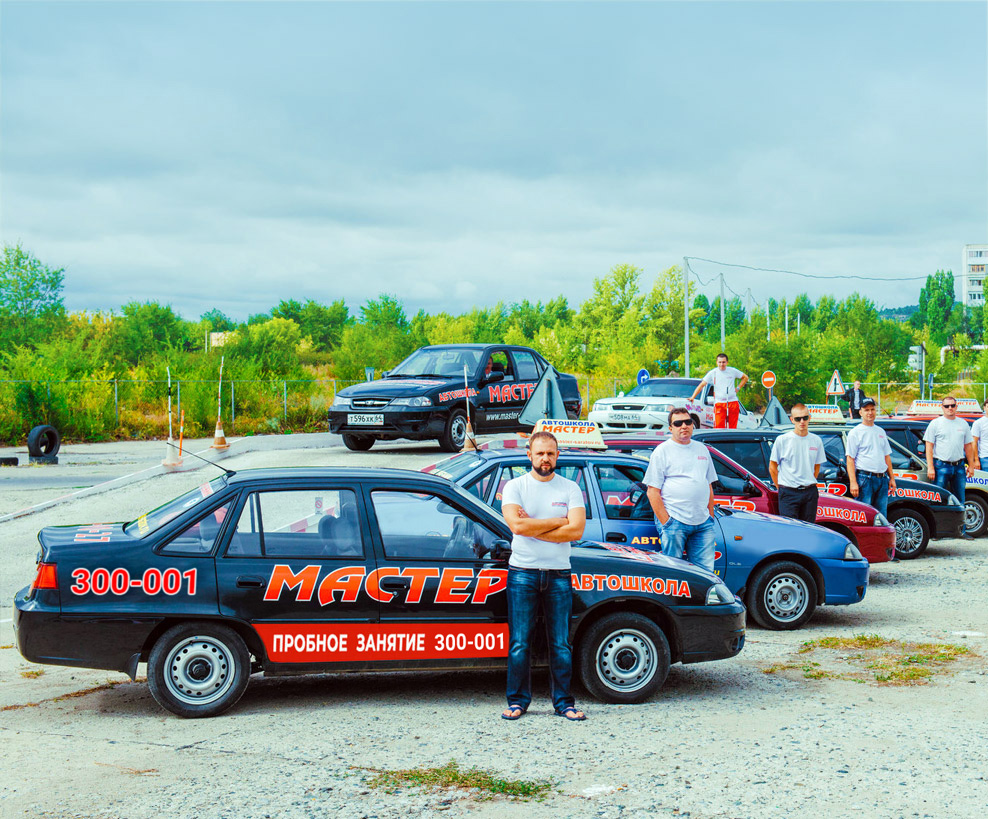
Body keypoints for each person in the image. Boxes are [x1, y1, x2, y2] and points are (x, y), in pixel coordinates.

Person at [499, 431, 587, 722]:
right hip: (522, 573)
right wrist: (559, 521)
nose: (545, 459)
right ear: (529, 455)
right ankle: (517, 701)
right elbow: (517, 527)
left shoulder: (570, 488)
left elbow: (575, 531)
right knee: (520, 642)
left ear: (557, 455)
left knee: (560, 643)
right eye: (540, 453)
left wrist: (533, 524)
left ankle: (563, 703)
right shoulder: (515, 486)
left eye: (550, 453)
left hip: (559, 575)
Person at [644, 407, 717, 572]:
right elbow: (652, 491)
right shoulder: (662, 451)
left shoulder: (702, 450)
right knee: (674, 573)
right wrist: (667, 522)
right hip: (675, 521)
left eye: (687, 421)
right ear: (670, 428)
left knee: (705, 573)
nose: (683, 426)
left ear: (692, 425)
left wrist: (710, 516)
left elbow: (708, 484)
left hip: (703, 523)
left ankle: (699, 599)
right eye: (678, 423)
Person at [923, 397, 974, 537]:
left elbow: (968, 446)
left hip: (959, 466)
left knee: (960, 500)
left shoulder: (963, 424)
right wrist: (930, 467)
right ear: (942, 407)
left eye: (952, 405)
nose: (950, 408)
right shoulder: (935, 423)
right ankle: (935, 532)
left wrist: (971, 465)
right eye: (947, 406)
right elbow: (929, 446)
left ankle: (961, 531)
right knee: (937, 499)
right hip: (941, 465)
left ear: (956, 407)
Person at [769, 403, 826, 523]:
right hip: (788, 492)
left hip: (810, 492)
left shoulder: (816, 440)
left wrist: (808, 481)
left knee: (809, 529)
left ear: (809, 418)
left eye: (805, 418)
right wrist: (781, 487)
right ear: (792, 420)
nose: (802, 421)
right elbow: (773, 467)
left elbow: (816, 466)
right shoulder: (783, 440)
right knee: (790, 530)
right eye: (797, 419)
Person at [845, 397, 897, 517]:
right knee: (864, 515)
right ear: (860, 412)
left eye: (872, 409)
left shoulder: (880, 431)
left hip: (882, 479)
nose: (870, 413)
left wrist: (892, 478)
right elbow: (850, 459)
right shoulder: (855, 432)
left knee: (881, 515)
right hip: (865, 479)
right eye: (866, 410)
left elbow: (886, 456)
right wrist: (853, 482)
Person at [692, 353, 748, 429]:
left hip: (732, 402)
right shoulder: (713, 373)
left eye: (724, 362)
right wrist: (693, 397)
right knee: (719, 426)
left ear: (727, 362)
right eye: (720, 362)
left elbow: (745, 377)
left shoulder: (732, 371)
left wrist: (738, 388)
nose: (722, 364)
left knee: (733, 427)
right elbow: (702, 385)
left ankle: (731, 440)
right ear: (717, 362)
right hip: (720, 403)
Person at [971, 399, 988, 471]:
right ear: (984, 407)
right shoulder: (979, 423)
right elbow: (974, 442)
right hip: (985, 458)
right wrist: (976, 460)